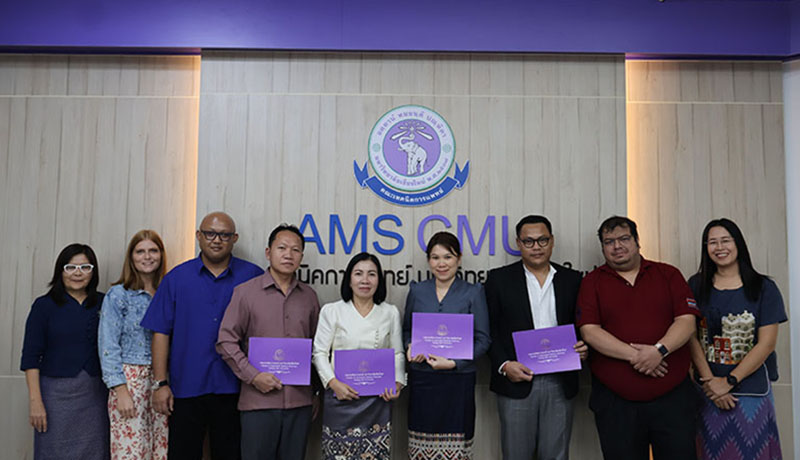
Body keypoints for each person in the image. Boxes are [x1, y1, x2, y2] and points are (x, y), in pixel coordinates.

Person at [140, 212, 263, 460]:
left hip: (236, 387)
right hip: (186, 388)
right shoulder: (176, 278)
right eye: (210, 233)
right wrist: (160, 383)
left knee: (231, 454)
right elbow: (160, 332)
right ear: (199, 236)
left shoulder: (254, 277)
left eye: (225, 235)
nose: (217, 240)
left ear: (234, 238)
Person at [577, 215, 700, 460]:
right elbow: (589, 330)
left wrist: (658, 352)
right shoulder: (592, 282)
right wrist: (639, 356)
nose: (617, 246)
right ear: (603, 248)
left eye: (624, 238)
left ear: (637, 241)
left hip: (673, 400)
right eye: (609, 241)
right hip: (616, 405)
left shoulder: (668, 274)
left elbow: (687, 321)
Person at [485, 215, 587, 460]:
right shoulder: (499, 279)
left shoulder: (573, 280)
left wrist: (584, 347)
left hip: (560, 381)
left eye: (542, 240)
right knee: (515, 455)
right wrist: (504, 365)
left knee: (556, 455)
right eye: (528, 241)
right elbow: (488, 329)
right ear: (518, 244)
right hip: (516, 380)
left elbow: (584, 325)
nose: (536, 247)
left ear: (552, 241)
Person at [216, 224, 320, 460]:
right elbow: (226, 341)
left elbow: (317, 348)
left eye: (295, 250)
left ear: (301, 257)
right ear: (268, 252)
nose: (288, 254)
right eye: (282, 248)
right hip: (258, 403)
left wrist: (315, 392)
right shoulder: (245, 293)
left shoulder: (309, 296)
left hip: (299, 403)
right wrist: (254, 376)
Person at [687, 218, 786, 460]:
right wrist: (711, 383)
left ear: (738, 243)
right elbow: (690, 336)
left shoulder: (764, 287)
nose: (719, 247)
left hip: (752, 391)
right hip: (707, 391)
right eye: (712, 242)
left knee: (754, 452)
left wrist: (729, 381)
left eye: (725, 240)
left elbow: (767, 343)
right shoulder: (696, 285)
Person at [402, 231, 491, 460]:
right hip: (423, 379)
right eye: (435, 257)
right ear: (428, 260)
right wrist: (410, 346)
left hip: (458, 381)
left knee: (456, 450)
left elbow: (483, 339)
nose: (441, 264)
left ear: (459, 259)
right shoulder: (417, 290)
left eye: (448, 257)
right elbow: (406, 330)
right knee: (421, 447)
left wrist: (454, 363)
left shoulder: (474, 292)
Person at [312, 252, 405, 460]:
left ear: (379, 280)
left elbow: (398, 353)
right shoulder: (332, 311)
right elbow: (319, 352)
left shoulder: (389, 312)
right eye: (358, 274)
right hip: (340, 398)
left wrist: (397, 383)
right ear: (349, 279)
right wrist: (333, 383)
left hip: (377, 401)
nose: (365, 280)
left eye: (371, 274)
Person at [20, 243, 109, 460]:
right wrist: (35, 402)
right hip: (54, 395)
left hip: (95, 395)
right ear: (61, 270)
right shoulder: (44, 306)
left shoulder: (105, 302)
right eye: (70, 267)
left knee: (96, 452)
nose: (78, 273)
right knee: (53, 451)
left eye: (85, 267)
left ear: (93, 271)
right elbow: (31, 357)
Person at [98, 230, 169, 460]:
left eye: (153, 250)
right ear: (131, 257)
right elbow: (107, 345)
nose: (147, 257)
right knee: (131, 451)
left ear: (161, 255)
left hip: (163, 380)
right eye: (140, 251)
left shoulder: (168, 292)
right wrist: (120, 390)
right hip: (129, 381)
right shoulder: (118, 295)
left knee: (162, 448)